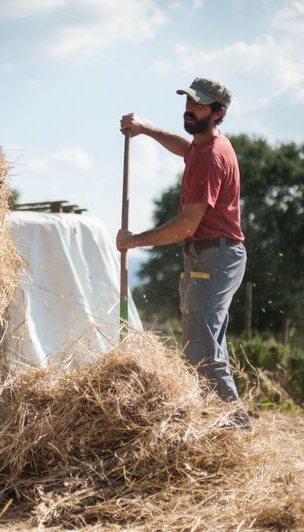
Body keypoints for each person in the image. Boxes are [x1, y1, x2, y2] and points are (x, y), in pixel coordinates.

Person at [117, 76, 251, 429]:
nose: (190, 109)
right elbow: (184, 148)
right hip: (212, 255)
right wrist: (147, 129)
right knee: (203, 347)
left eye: (199, 104)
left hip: (214, 255)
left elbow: (186, 226)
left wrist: (135, 241)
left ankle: (237, 430)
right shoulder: (206, 145)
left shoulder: (211, 159)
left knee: (202, 353)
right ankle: (218, 425)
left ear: (218, 111)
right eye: (188, 101)